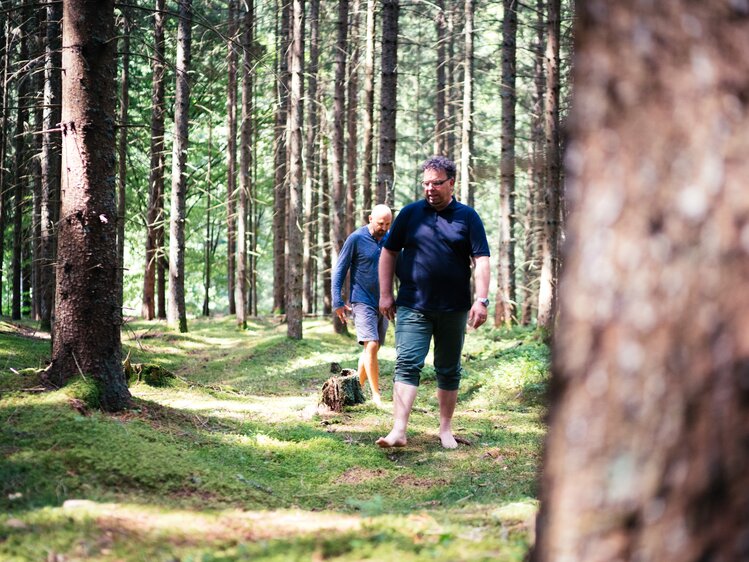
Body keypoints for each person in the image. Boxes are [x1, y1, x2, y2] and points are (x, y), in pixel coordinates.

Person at [377, 156, 490, 449]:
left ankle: (445, 430)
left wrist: (482, 300)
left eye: (437, 183)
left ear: (451, 183)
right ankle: (399, 431)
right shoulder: (409, 214)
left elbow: (482, 259)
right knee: (407, 363)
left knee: (448, 369)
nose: (430, 188)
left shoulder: (467, 217)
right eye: (426, 183)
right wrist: (385, 294)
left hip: (454, 307)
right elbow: (388, 252)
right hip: (413, 304)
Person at [332, 204, 393, 407]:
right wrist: (337, 301)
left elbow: (400, 267)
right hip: (361, 300)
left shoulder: (390, 239)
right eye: (380, 223)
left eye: (387, 224)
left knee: (371, 349)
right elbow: (340, 269)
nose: (383, 227)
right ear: (370, 219)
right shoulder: (356, 239)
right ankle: (376, 395)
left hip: (383, 302)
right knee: (372, 345)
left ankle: (354, 389)